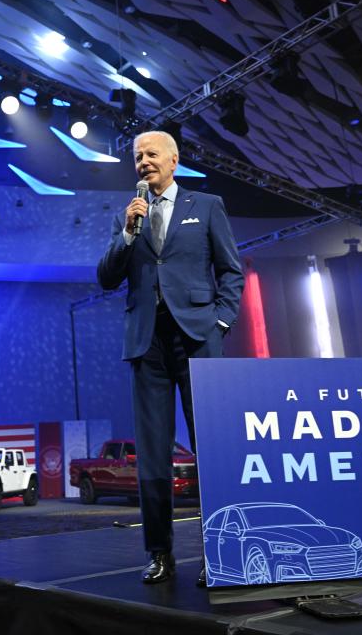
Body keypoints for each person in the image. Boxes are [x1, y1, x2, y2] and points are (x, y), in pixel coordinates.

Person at [97, 131, 244, 585]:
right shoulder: (131, 217)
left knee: (212, 450)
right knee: (153, 456)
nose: (143, 161)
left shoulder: (207, 205)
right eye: (137, 156)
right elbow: (105, 278)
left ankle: (220, 553)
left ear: (174, 160)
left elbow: (231, 271)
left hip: (198, 339)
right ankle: (159, 552)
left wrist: (220, 323)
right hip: (148, 345)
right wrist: (125, 233)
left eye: (151, 154)